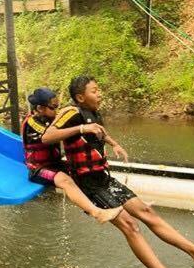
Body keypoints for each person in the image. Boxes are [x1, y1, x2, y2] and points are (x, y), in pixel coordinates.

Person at [44, 75, 194, 268]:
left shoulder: (93, 113)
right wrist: (81, 131)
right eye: (94, 91)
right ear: (80, 97)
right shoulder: (71, 111)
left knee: (147, 212)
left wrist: (114, 143)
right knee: (130, 226)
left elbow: (98, 131)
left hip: (104, 179)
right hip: (87, 185)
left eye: (99, 89)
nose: (100, 93)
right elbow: (48, 136)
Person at [22, 87, 123, 224]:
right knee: (65, 180)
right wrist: (76, 126)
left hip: (56, 164)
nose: (57, 111)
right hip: (38, 169)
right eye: (53, 107)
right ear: (40, 108)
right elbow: (50, 135)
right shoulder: (32, 122)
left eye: (58, 107)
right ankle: (97, 213)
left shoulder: (51, 119)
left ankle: (115, 201)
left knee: (84, 171)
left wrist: (114, 144)